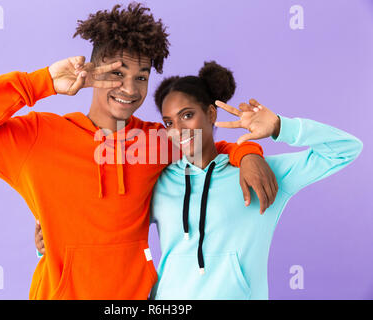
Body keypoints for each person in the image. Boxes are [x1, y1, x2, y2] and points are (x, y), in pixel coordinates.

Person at [0, 3, 277, 300]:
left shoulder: (156, 141)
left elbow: (209, 147)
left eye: (141, 77)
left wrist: (248, 153)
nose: (130, 88)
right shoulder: (39, 136)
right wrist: (42, 82)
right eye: (116, 73)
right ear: (93, 73)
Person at [146, 61, 363, 299]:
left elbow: (345, 149)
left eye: (187, 115)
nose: (178, 130)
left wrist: (281, 127)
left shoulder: (262, 173)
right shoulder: (160, 182)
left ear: (210, 113)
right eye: (169, 123)